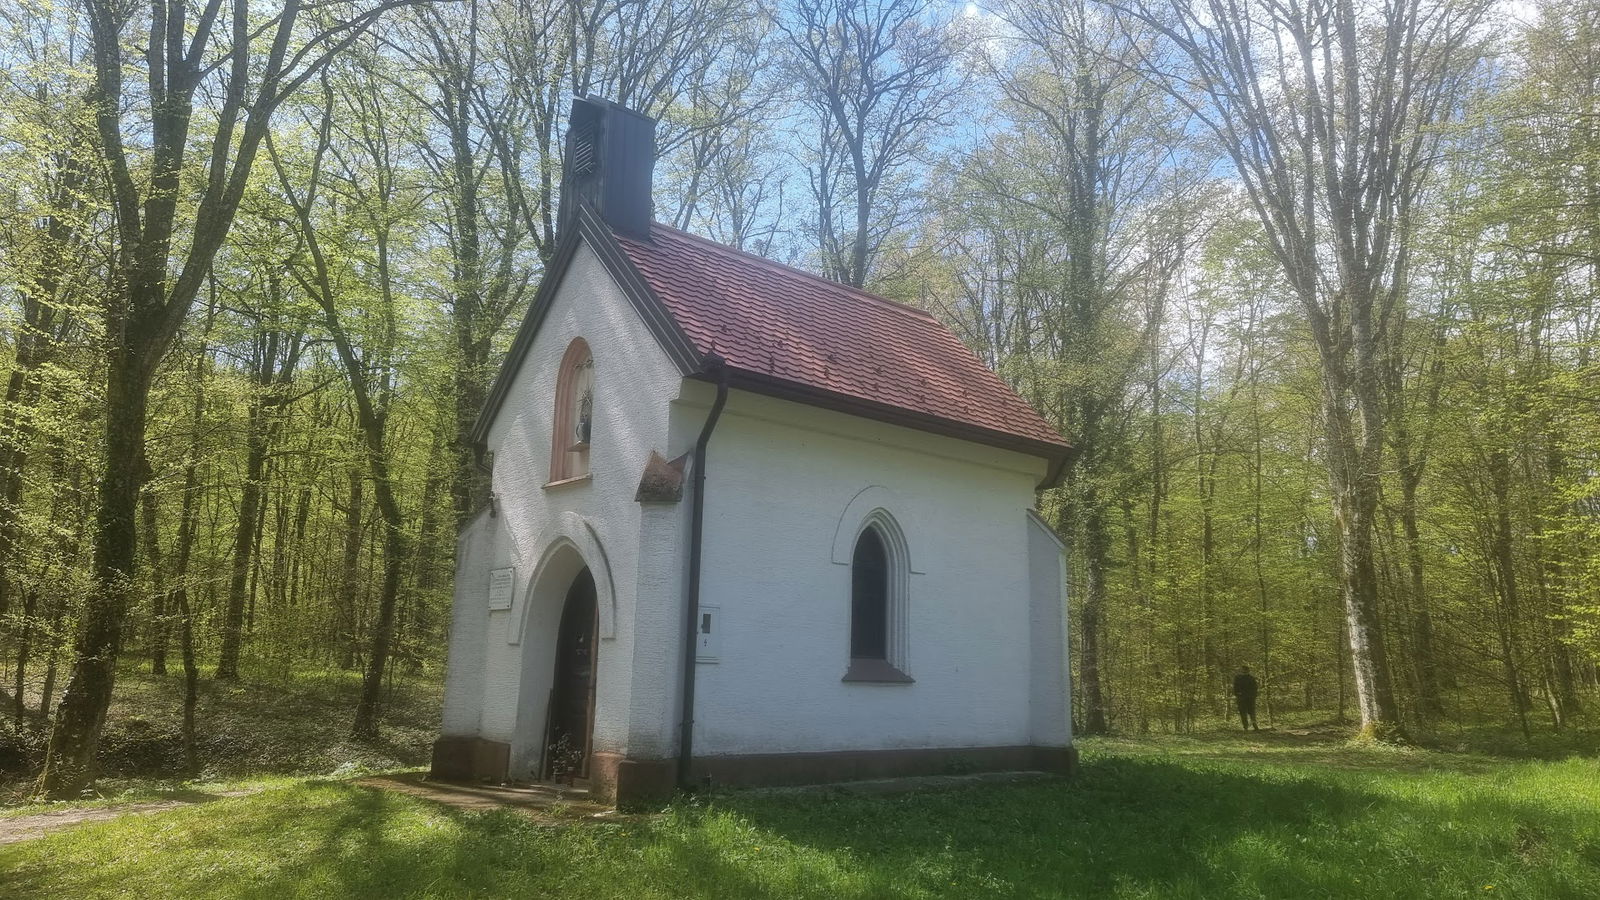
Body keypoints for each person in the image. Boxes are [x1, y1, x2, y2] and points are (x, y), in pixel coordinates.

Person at [1232, 665, 1260, 731]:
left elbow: (1235, 688)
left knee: (1245, 712)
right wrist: (1253, 695)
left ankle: (1248, 726)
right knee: (1250, 712)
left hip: (1243, 697)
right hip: (1248, 697)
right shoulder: (1251, 678)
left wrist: (1238, 694)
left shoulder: (1238, 678)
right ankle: (1251, 725)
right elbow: (1255, 688)